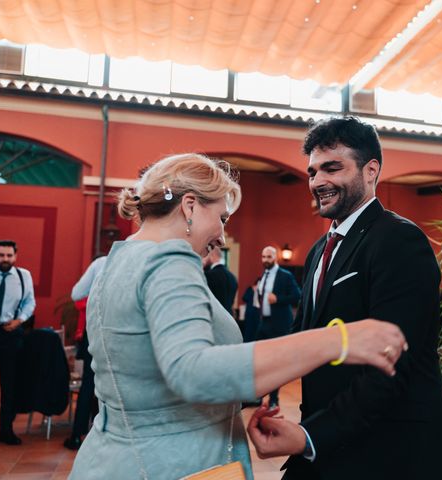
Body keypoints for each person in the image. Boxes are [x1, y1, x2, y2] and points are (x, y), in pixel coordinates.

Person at [69, 153, 407, 480]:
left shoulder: (115, 261)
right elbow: (193, 370)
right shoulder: (169, 259)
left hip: (114, 457)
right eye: (222, 218)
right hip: (176, 464)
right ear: (189, 206)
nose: (220, 235)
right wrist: (338, 340)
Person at [247, 117, 442, 479]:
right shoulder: (321, 249)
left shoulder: (399, 240)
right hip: (332, 442)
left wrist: (309, 437)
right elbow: (299, 338)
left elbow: (391, 364)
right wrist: (235, 385)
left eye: (332, 168)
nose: (318, 181)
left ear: (371, 171)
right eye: (312, 171)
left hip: (393, 450)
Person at [0, 240, 36, 444]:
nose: (5, 259)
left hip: (9, 332)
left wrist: (20, 320)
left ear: (15, 256)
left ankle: (6, 430)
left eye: (9, 256)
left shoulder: (23, 276)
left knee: (9, 383)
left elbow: (30, 301)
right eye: (1, 255)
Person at [63, 255, 107, 450]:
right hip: (124, 332)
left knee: (89, 382)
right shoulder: (144, 261)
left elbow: (76, 294)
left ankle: (78, 433)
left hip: (96, 331)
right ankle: (104, 433)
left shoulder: (101, 263)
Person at [254, 246, 301, 407]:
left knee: (275, 363)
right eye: (263, 256)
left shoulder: (285, 276)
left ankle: (274, 399)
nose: (265, 260)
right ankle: (258, 397)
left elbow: (297, 295)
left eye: (268, 257)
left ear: (275, 258)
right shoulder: (264, 275)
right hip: (263, 323)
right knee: (259, 361)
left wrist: (278, 299)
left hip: (279, 324)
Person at [203, 246, 238, 315]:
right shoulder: (233, 277)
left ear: (212, 255)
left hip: (213, 318)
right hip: (229, 318)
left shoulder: (208, 275)